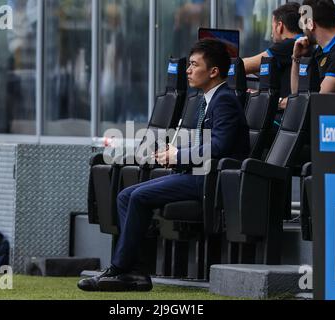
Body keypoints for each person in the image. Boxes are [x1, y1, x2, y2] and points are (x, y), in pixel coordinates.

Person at [78, 39, 250, 292]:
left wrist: (178, 155)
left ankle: (120, 270)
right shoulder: (206, 99)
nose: (188, 70)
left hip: (211, 180)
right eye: (188, 64)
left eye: (194, 65)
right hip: (197, 174)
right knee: (127, 196)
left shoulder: (224, 100)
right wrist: (171, 153)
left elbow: (220, 146)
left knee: (136, 197)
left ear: (213, 71)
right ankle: (134, 271)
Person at [290, 0, 335, 96]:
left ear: (311, 24)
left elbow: (317, 99)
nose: (303, 29)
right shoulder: (319, 51)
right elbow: (296, 93)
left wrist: (281, 102)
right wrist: (296, 58)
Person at [244, 2, 304, 102]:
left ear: (279, 26)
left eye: (272, 26)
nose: (272, 33)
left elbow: (244, 66)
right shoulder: (303, 43)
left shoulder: (288, 45)